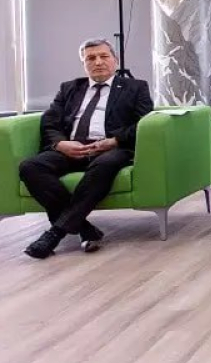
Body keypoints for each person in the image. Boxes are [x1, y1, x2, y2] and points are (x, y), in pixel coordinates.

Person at [19, 38, 153, 259]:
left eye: (104, 56)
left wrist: (114, 141)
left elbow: (143, 122)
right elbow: (50, 123)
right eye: (91, 58)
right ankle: (84, 229)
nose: (98, 62)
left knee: (105, 165)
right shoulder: (69, 88)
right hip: (71, 149)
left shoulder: (136, 87)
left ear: (115, 61)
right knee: (30, 167)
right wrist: (61, 143)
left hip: (110, 148)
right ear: (84, 64)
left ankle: (55, 234)